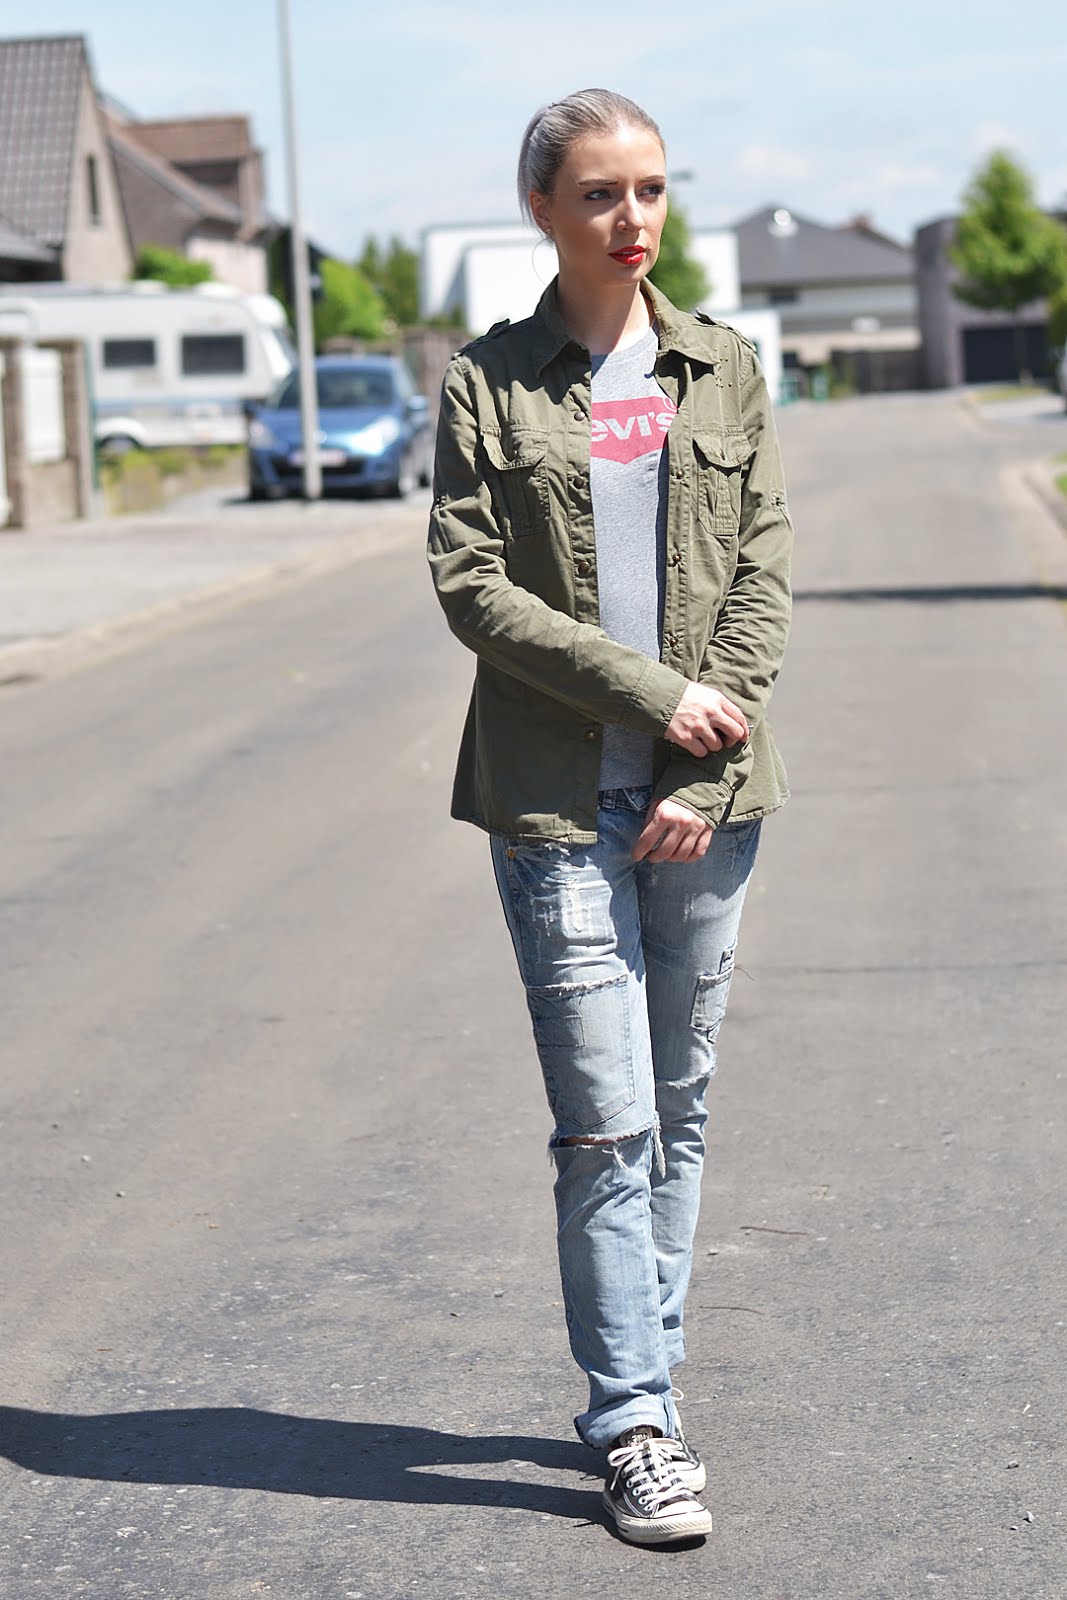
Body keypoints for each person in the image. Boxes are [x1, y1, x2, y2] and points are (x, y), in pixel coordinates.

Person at [427, 88, 792, 1546]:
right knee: (605, 1127)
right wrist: (652, 698)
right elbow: (472, 588)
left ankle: (657, 1385)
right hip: (555, 802)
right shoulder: (488, 384)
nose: (631, 217)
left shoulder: (726, 369)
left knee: (679, 1110)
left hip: (709, 803)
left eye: (649, 189)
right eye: (598, 194)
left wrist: (702, 769)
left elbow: (762, 577)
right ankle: (633, 1426)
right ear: (544, 211)